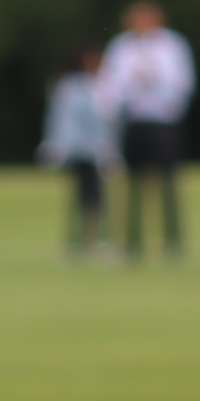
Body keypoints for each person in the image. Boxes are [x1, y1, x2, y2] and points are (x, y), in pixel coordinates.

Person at [96, 0, 195, 260]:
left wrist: (156, 78)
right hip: (134, 119)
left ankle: (173, 241)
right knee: (134, 181)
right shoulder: (121, 46)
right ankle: (133, 241)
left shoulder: (172, 44)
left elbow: (183, 82)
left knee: (168, 180)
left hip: (164, 120)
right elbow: (110, 84)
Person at [38, 46, 117, 259]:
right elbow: (60, 118)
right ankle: (76, 240)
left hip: (100, 149)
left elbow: (113, 121)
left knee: (100, 196)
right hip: (76, 149)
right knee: (78, 195)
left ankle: (102, 240)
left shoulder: (107, 84)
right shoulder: (68, 86)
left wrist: (111, 149)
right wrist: (55, 145)